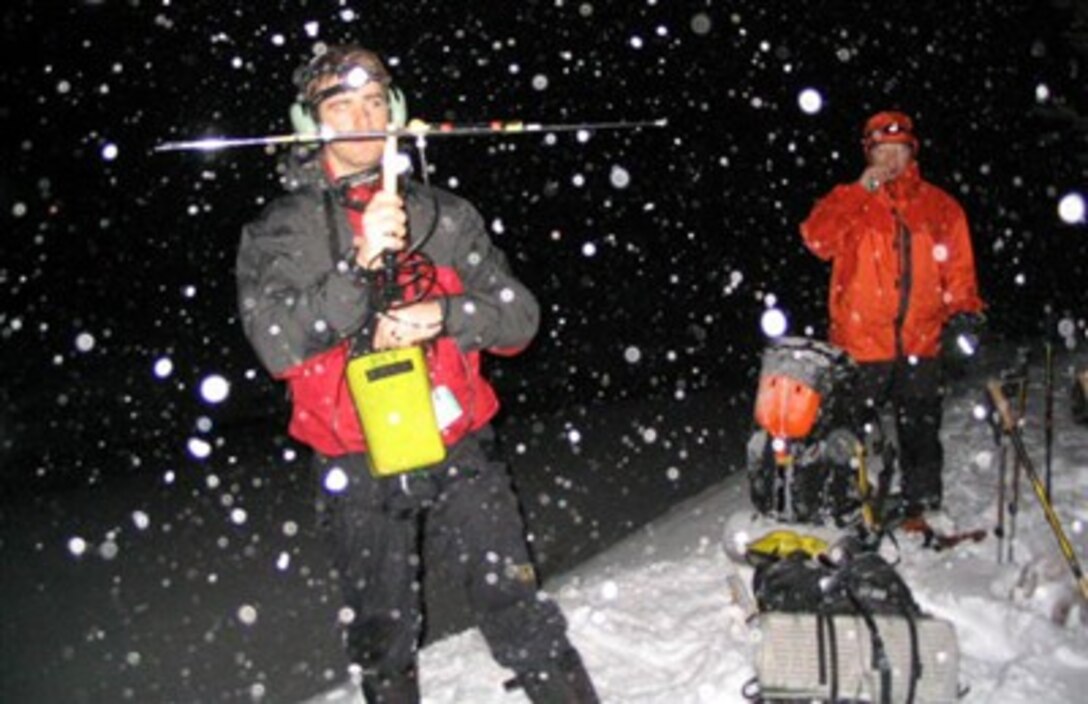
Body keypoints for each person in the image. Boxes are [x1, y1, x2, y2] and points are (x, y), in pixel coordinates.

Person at [236, 44, 598, 704]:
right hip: (355, 461)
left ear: (396, 112)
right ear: (309, 120)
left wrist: (447, 314)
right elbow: (275, 344)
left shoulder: (446, 215)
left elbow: (520, 318)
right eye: (340, 105)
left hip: (462, 443)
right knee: (382, 633)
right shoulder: (279, 231)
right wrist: (360, 266)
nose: (361, 118)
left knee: (516, 605)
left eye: (375, 102)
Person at [800, 110, 985, 520]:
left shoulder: (940, 206)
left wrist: (964, 315)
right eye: (883, 149)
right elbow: (817, 238)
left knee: (920, 430)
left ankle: (922, 504)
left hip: (921, 341)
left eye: (899, 149)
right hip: (860, 344)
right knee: (850, 434)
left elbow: (959, 271)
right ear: (869, 152)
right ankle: (846, 506)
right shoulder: (850, 201)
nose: (891, 159)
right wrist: (858, 191)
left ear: (911, 152)